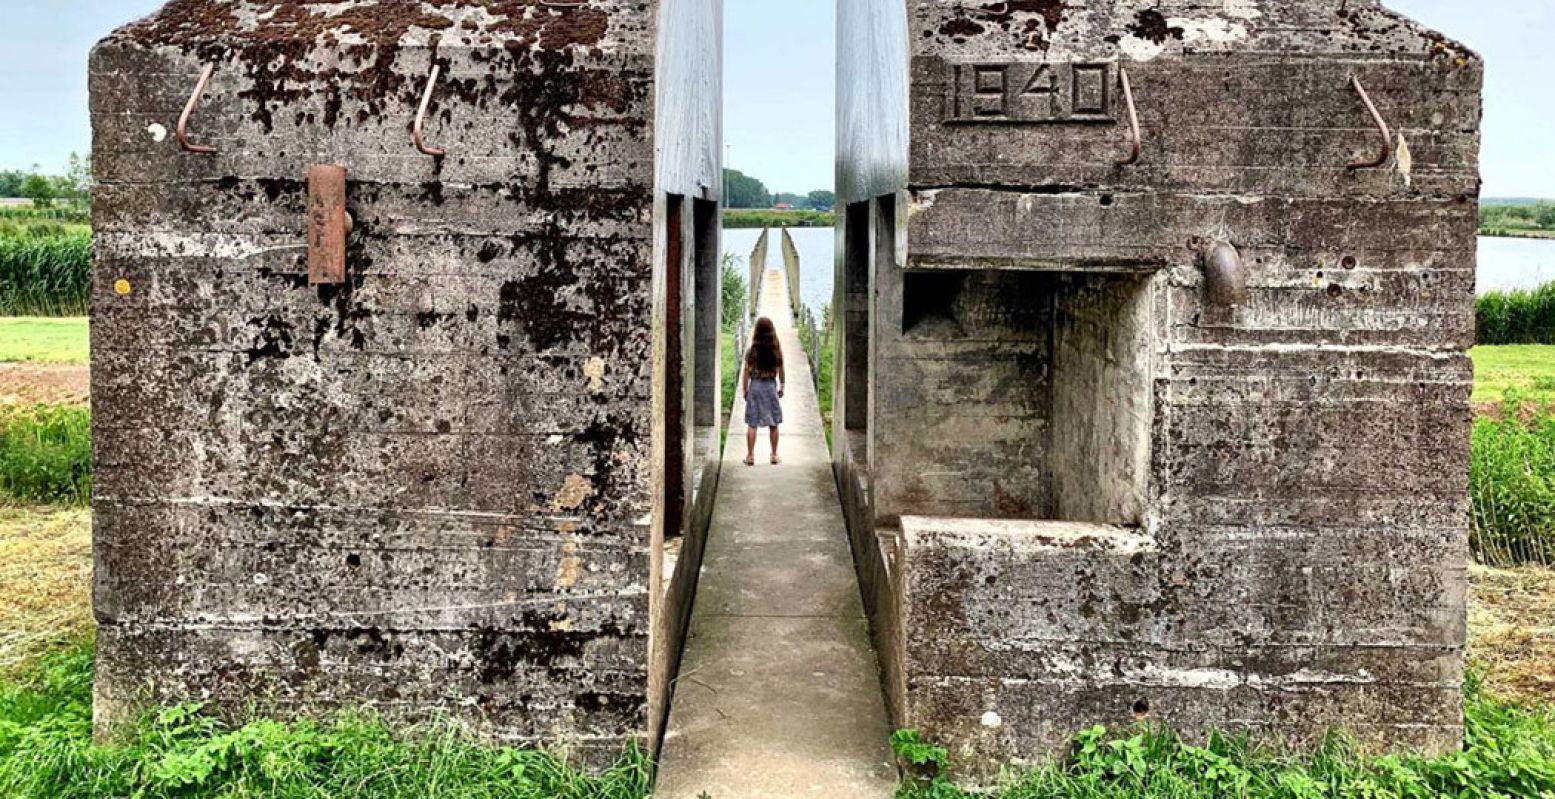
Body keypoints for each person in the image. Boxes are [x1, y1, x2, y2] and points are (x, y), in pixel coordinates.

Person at [742, 316, 785, 466]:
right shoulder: (776, 350)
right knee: (773, 423)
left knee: (752, 423)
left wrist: (745, 389)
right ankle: (773, 454)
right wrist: (782, 385)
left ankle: (750, 456)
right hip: (770, 387)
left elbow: (746, 372)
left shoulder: (752, 351)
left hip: (755, 386)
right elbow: (781, 368)